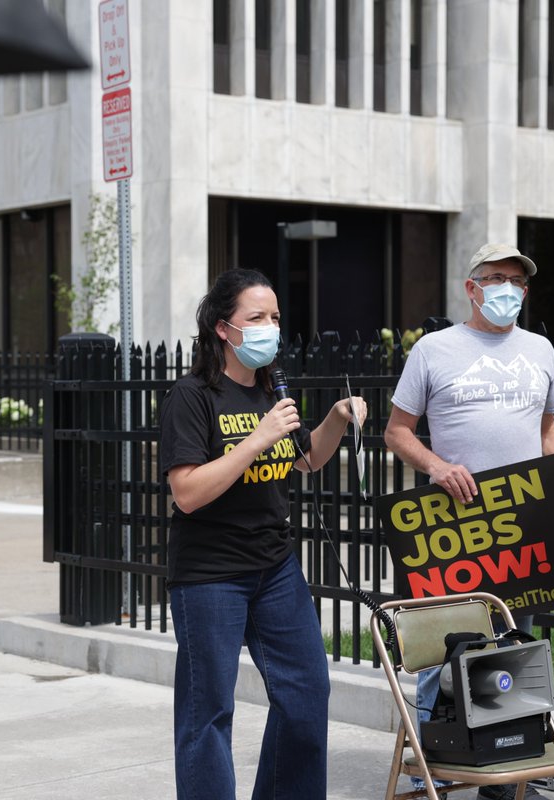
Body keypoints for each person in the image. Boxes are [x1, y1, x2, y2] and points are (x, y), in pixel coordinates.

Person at [158, 268, 367, 800]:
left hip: (275, 568)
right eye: (256, 318)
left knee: (307, 692)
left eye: (274, 317)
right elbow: (186, 491)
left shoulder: (273, 390)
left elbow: (305, 460)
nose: (269, 327)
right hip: (210, 575)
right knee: (208, 711)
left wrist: (338, 419)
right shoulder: (192, 395)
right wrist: (253, 440)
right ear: (223, 329)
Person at [384, 243, 554, 800]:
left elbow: (550, 433)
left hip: (523, 522)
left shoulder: (540, 349)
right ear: (471, 288)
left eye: (517, 281)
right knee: (439, 647)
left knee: (514, 646)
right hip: (454, 524)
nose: (507, 289)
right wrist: (438, 466)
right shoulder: (433, 350)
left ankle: (510, 769)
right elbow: (397, 432)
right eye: (495, 278)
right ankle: (430, 764)